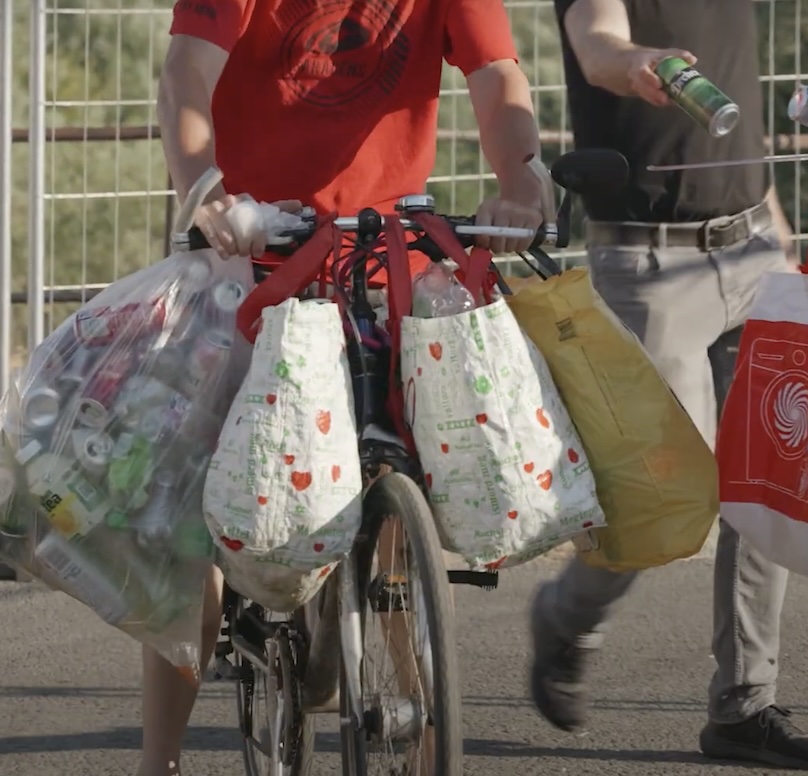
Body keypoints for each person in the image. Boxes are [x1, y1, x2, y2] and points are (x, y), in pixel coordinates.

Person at [149, 1, 549, 774]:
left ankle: (429, 744)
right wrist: (205, 192)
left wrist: (523, 180)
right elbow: (185, 76)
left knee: (415, 503)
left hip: (386, 257)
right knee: (194, 528)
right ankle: (157, 760)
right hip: (253, 258)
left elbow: (498, 76)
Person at [528, 0, 808, 770]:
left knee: (767, 479)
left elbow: (737, 86)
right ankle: (566, 619)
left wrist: (771, 218)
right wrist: (633, 65)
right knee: (665, 497)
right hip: (648, 262)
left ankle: (744, 707)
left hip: (752, 251)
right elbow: (596, 43)